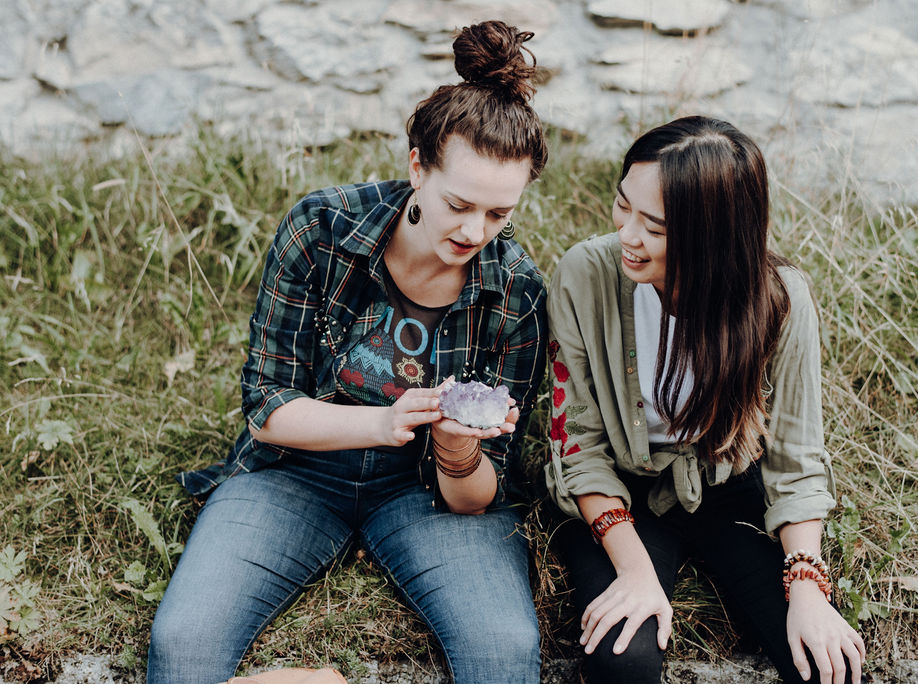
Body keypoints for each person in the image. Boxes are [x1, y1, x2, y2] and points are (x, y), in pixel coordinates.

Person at [148, 20, 548, 684]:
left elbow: (479, 496)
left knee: (503, 654)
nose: (475, 231)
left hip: (425, 491)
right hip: (295, 471)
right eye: (459, 204)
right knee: (183, 643)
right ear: (416, 166)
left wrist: (456, 449)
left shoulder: (517, 293)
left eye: (499, 215)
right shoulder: (322, 228)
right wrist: (383, 423)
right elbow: (267, 407)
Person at [544, 116, 866, 684]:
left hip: (729, 489)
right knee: (624, 666)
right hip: (622, 489)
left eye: (656, 227)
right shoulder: (583, 276)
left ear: (713, 238)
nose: (628, 235)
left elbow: (796, 462)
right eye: (624, 206)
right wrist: (635, 570)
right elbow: (579, 447)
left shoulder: (780, 299)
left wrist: (807, 584)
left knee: (829, 670)